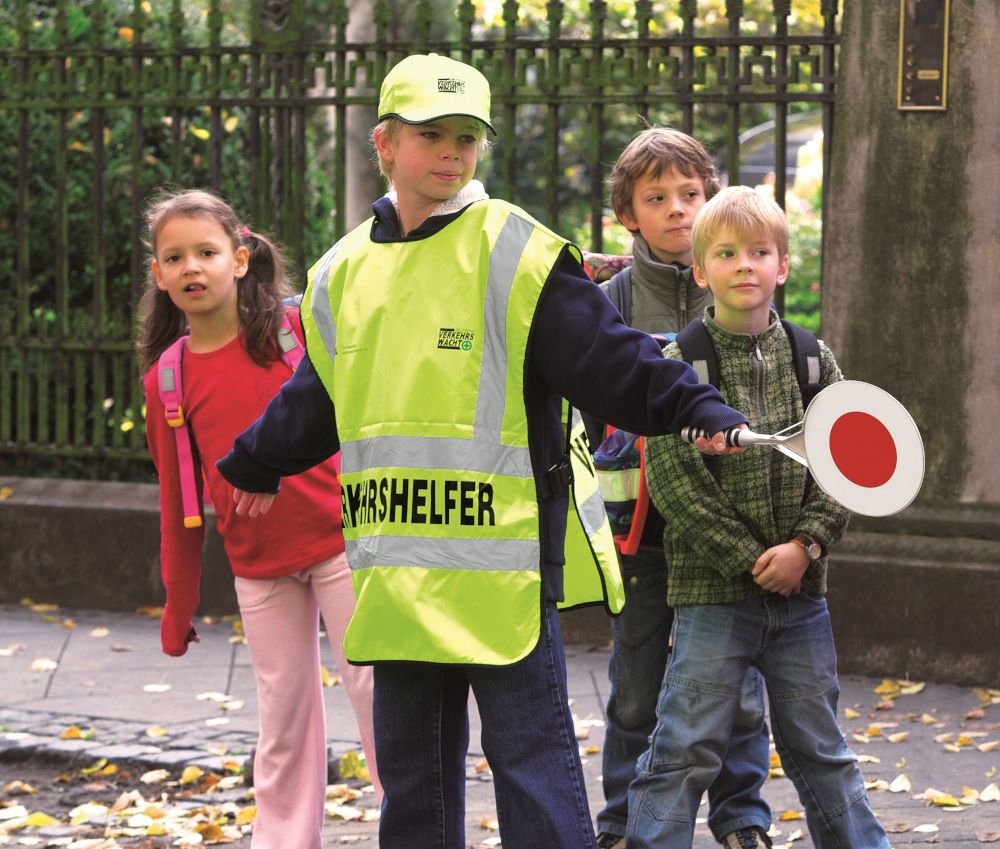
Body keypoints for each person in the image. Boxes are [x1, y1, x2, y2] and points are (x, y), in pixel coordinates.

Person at [215, 53, 747, 849]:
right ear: (384, 142)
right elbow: (319, 395)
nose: (451, 152)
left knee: (532, 773)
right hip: (397, 575)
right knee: (415, 789)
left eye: (466, 137)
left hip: (504, 576)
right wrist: (256, 458)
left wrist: (695, 403)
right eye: (431, 134)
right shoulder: (341, 273)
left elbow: (611, 359)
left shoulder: (516, 251)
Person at [626, 185, 890, 849]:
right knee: (683, 749)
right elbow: (676, 484)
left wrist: (806, 545)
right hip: (713, 600)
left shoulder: (813, 360)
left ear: (783, 265)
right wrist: (750, 560)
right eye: (726, 253)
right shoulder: (679, 364)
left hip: (802, 598)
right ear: (700, 270)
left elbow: (845, 465)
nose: (744, 264)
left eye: (759, 252)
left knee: (821, 749)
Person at [136, 189, 381, 849]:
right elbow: (179, 506)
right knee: (283, 718)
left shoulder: (292, 333)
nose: (192, 267)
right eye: (174, 257)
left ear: (240, 259)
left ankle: (415, 827)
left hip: (343, 545)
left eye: (207, 252)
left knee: (377, 693)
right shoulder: (167, 379)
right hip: (259, 566)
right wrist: (177, 606)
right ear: (159, 275)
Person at [593, 128, 773, 849]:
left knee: (739, 684)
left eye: (691, 193)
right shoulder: (608, 301)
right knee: (637, 682)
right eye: (657, 197)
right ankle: (621, 820)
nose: (677, 208)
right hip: (640, 528)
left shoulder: (735, 289)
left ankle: (741, 815)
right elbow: (588, 401)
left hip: (727, 527)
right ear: (627, 215)